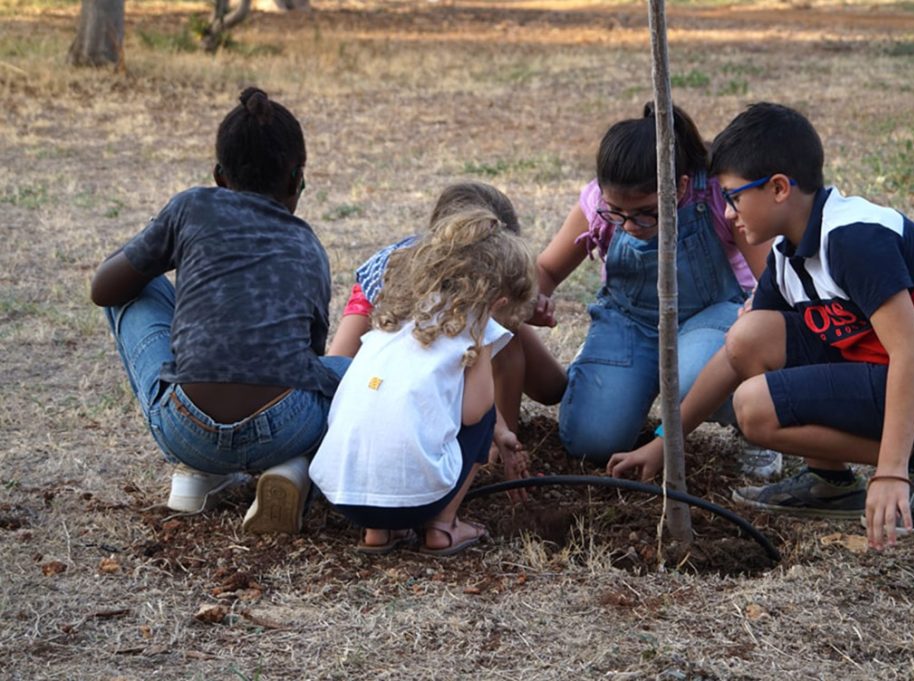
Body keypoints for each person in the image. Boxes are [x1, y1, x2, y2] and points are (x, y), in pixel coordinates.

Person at [608, 102, 914, 550]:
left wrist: (890, 470)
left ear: (778, 188)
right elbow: (739, 353)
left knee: (754, 407)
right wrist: (666, 442)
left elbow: (912, 352)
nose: (730, 214)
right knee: (748, 335)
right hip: (880, 368)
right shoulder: (787, 254)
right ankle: (829, 483)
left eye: (734, 197)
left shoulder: (854, 239)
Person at [90, 87, 349, 534]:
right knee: (345, 371)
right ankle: (292, 468)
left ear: (219, 175)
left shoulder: (191, 207)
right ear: (296, 180)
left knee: (135, 283)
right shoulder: (309, 245)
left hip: (186, 428)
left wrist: (165, 252)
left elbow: (103, 288)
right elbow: (306, 358)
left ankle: (197, 474)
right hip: (285, 425)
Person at [536, 102, 776, 472]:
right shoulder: (597, 203)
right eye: (617, 213)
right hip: (629, 321)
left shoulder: (714, 196)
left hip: (710, 317)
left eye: (647, 212)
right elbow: (546, 271)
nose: (629, 225)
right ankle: (615, 381)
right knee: (590, 441)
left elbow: (771, 280)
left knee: (689, 379)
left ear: (678, 186)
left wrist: (751, 318)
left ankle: (750, 423)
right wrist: (535, 296)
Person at [310, 206, 536, 555]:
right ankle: (443, 528)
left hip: (343, 494)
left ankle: (379, 533)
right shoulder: (474, 325)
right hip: (415, 501)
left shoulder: (398, 316)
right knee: (483, 413)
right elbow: (475, 414)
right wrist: (482, 346)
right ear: (497, 302)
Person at [326, 182, 563, 497]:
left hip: (466, 319)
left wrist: (522, 309)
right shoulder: (393, 275)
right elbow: (339, 365)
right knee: (337, 379)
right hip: (396, 327)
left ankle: (501, 443)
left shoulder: (490, 291)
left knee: (541, 375)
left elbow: (551, 389)